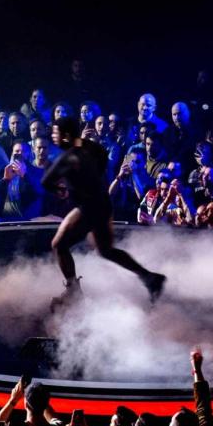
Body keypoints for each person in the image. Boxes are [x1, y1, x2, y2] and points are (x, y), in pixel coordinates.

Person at [40, 116, 166, 308]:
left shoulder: (69, 157)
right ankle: (150, 278)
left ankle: (73, 292)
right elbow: (102, 157)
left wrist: (61, 188)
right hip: (101, 203)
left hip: (89, 207)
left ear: (65, 135)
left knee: (59, 244)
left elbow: (46, 181)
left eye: (56, 133)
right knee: (106, 250)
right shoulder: (89, 147)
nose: (53, 136)